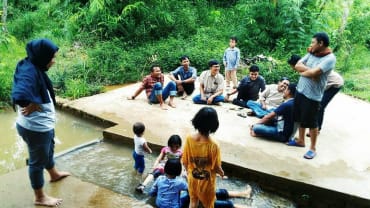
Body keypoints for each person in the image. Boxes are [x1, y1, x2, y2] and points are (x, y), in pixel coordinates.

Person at [11, 38, 70, 207]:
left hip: (43, 126)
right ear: (42, 56)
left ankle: (53, 174)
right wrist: (30, 102)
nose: (54, 60)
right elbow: (20, 94)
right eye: (52, 57)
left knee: (48, 149)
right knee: (37, 162)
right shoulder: (29, 71)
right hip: (36, 129)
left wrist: (36, 99)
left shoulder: (30, 64)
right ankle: (40, 197)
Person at [288, 32, 336, 159]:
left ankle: (313, 148)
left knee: (312, 123)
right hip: (300, 90)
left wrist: (307, 72)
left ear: (321, 43)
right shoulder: (312, 52)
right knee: (299, 117)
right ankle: (301, 140)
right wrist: (310, 73)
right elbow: (298, 65)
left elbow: (313, 72)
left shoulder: (330, 59)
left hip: (313, 96)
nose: (311, 44)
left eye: (313, 42)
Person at [288, 54, 344, 136]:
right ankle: (312, 126)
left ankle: (317, 129)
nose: (292, 68)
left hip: (335, 83)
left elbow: (314, 81)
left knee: (320, 106)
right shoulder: (305, 66)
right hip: (327, 83)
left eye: (291, 66)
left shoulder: (307, 67)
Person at [182, 107, 225, 208]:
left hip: (192, 178)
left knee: (193, 201)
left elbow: (185, 160)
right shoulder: (214, 145)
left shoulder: (189, 138)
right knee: (208, 205)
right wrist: (222, 173)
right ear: (214, 125)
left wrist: (188, 172)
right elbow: (216, 167)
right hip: (206, 183)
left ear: (197, 120)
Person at [180, 184, 252, 208]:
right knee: (227, 204)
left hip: (188, 199)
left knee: (217, 192)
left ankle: (244, 194)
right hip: (191, 203)